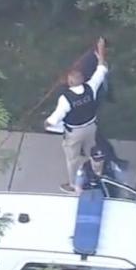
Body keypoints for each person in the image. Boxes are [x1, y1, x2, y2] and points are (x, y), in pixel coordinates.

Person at [45, 37, 108, 193]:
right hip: (91, 127)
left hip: (74, 132)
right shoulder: (91, 88)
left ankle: (73, 184)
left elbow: (55, 118)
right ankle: (96, 175)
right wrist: (101, 51)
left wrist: (46, 123)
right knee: (92, 151)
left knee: (72, 159)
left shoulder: (65, 99)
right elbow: (101, 69)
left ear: (69, 82)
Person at [75, 43, 129, 170]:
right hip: (86, 106)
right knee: (97, 136)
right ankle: (114, 161)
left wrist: (109, 95)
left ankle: (83, 146)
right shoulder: (89, 63)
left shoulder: (102, 61)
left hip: (93, 104)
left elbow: (105, 79)